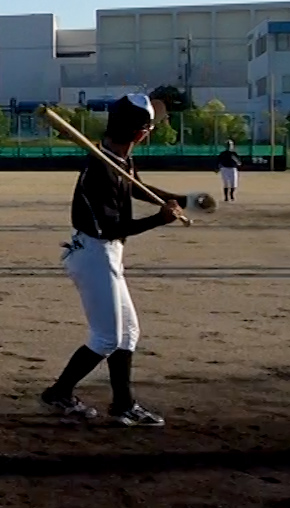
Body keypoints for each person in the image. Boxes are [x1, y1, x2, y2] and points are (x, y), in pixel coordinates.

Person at [38, 94, 183, 427]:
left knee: (128, 333)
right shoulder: (100, 168)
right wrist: (158, 220)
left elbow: (135, 187)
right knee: (106, 338)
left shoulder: (118, 159)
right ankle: (58, 393)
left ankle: (123, 405)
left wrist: (175, 199)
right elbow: (107, 227)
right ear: (141, 133)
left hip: (107, 253)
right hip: (93, 253)